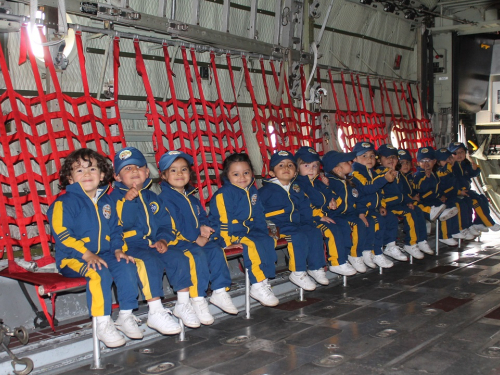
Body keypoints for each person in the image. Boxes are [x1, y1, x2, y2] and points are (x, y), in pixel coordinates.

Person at [48, 148, 139, 348]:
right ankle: (102, 322)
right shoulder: (64, 203)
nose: (87, 174)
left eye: (92, 169)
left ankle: (125, 315)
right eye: (79, 171)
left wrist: (117, 250)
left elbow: (116, 229)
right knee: (99, 273)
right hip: (73, 258)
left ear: (103, 174)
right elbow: (62, 234)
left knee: (127, 266)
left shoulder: (107, 201)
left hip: (105, 253)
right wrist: (86, 254)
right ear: (70, 179)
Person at [110, 146, 200, 330]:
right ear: (117, 177)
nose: (134, 171)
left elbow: (166, 224)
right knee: (150, 262)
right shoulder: (114, 199)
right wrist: (127, 202)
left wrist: (163, 240)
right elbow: (120, 225)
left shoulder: (152, 197)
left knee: (178, 256)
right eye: (127, 168)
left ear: (146, 172)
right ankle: (155, 311)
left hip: (153, 243)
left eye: (138, 167)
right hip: (130, 245)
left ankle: (183, 303)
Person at [158, 150, 238, 322]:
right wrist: (196, 237)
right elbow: (176, 223)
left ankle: (219, 291)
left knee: (216, 250)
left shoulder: (191, 197)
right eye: (173, 170)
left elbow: (201, 215)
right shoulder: (165, 198)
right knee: (198, 256)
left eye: (184, 169)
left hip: (195, 239)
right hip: (177, 242)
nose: (179, 173)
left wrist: (204, 227)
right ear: (163, 176)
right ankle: (198, 299)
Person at [208, 153, 279, 307]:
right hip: (228, 233)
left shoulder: (252, 191)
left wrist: (262, 232)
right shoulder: (224, 194)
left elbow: (259, 214)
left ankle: (264, 280)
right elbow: (223, 221)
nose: (242, 177)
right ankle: (257, 284)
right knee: (251, 245)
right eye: (236, 174)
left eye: (246, 172)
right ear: (227, 175)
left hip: (248, 231)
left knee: (266, 241)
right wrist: (226, 242)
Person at [259, 151, 334, 291]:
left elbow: (305, 206)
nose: (286, 168)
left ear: (295, 173)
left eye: (290, 165)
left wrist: (311, 219)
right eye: (281, 165)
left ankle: (316, 267)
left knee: (313, 231)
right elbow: (257, 210)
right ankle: (298, 272)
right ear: (272, 173)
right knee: (297, 237)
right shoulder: (266, 191)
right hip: (278, 225)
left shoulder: (296, 188)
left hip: (297, 223)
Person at [293, 146, 356, 279]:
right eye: (306, 165)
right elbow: (303, 204)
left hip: (322, 216)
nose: (311, 169)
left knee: (341, 225)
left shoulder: (318, 183)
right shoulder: (298, 185)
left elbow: (331, 194)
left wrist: (333, 201)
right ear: (297, 168)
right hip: (307, 218)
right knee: (329, 230)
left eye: (315, 166)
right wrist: (319, 215)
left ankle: (343, 259)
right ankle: (330, 263)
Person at [375, 144, 431, 259]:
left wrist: (408, 201)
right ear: (380, 160)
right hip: (388, 205)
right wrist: (382, 205)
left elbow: (402, 192)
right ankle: (410, 243)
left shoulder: (397, 174)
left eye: (394, 157)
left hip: (398, 203)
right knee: (408, 214)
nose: (391, 160)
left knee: (417, 210)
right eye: (387, 157)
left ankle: (421, 240)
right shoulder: (380, 174)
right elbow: (378, 193)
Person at [322, 150, 371, 272]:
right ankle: (341, 259)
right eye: (347, 162)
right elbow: (327, 199)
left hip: (350, 213)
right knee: (342, 228)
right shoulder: (330, 183)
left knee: (361, 223)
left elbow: (359, 199)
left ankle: (355, 255)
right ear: (337, 169)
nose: (351, 162)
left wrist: (361, 213)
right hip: (335, 215)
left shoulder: (351, 182)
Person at [350, 141, 397, 268]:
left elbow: (379, 192)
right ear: (355, 158)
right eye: (364, 156)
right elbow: (366, 188)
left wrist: (381, 205)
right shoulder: (356, 174)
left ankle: (386, 247)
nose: (369, 159)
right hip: (360, 210)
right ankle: (371, 252)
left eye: (372, 156)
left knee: (390, 218)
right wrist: (384, 179)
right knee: (375, 222)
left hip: (372, 208)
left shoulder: (373, 173)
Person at [413, 146, 462, 246]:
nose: (426, 163)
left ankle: (449, 234)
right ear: (418, 163)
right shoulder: (418, 176)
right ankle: (444, 236)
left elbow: (437, 188)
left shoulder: (434, 174)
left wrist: (441, 195)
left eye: (429, 160)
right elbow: (419, 189)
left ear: (434, 161)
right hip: (423, 201)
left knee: (448, 207)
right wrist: (425, 178)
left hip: (433, 199)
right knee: (442, 211)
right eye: (423, 160)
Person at [448, 141, 500, 232]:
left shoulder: (465, 164)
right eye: (455, 153)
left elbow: (472, 174)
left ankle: (478, 222)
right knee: (475, 201)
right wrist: (459, 191)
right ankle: (489, 223)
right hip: (457, 191)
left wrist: (475, 169)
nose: (459, 155)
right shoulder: (451, 167)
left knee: (482, 198)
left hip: (466, 190)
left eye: (461, 152)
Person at [436, 147, 479, 240]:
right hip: (445, 196)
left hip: (453, 194)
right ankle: (458, 230)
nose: (448, 161)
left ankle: (468, 225)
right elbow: (444, 188)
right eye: (444, 160)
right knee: (457, 205)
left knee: (468, 201)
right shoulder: (441, 172)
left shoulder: (453, 169)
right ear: (439, 163)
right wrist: (458, 192)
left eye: (450, 158)